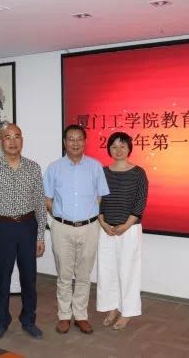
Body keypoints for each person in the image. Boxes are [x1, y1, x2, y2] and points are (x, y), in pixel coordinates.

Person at [0, 123, 47, 341]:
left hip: (28, 227)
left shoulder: (33, 168)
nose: (12, 141)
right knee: (2, 277)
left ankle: (29, 320)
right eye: (7, 137)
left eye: (17, 136)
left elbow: (40, 204)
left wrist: (40, 236)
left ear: (22, 140)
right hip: (2, 228)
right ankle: (1, 321)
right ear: (1, 142)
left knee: (29, 277)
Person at [43, 124, 109, 335]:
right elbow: (47, 199)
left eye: (79, 138)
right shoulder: (54, 168)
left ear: (85, 142)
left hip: (89, 228)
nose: (75, 143)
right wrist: (61, 216)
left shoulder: (95, 166)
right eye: (70, 139)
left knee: (83, 274)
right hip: (62, 228)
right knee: (64, 274)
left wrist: (87, 216)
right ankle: (64, 315)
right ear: (64, 142)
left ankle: (80, 315)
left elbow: (100, 196)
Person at [97, 132, 148, 330]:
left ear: (129, 149)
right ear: (109, 149)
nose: (118, 150)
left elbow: (140, 202)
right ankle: (112, 308)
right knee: (107, 270)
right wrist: (102, 223)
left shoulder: (138, 173)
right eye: (114, 146)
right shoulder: (102, 172)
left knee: (128, 271)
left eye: (122, 146)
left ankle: (128, 311)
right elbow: (97, 200)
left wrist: (126, 226)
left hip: (129, 229)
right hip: (106, 229)